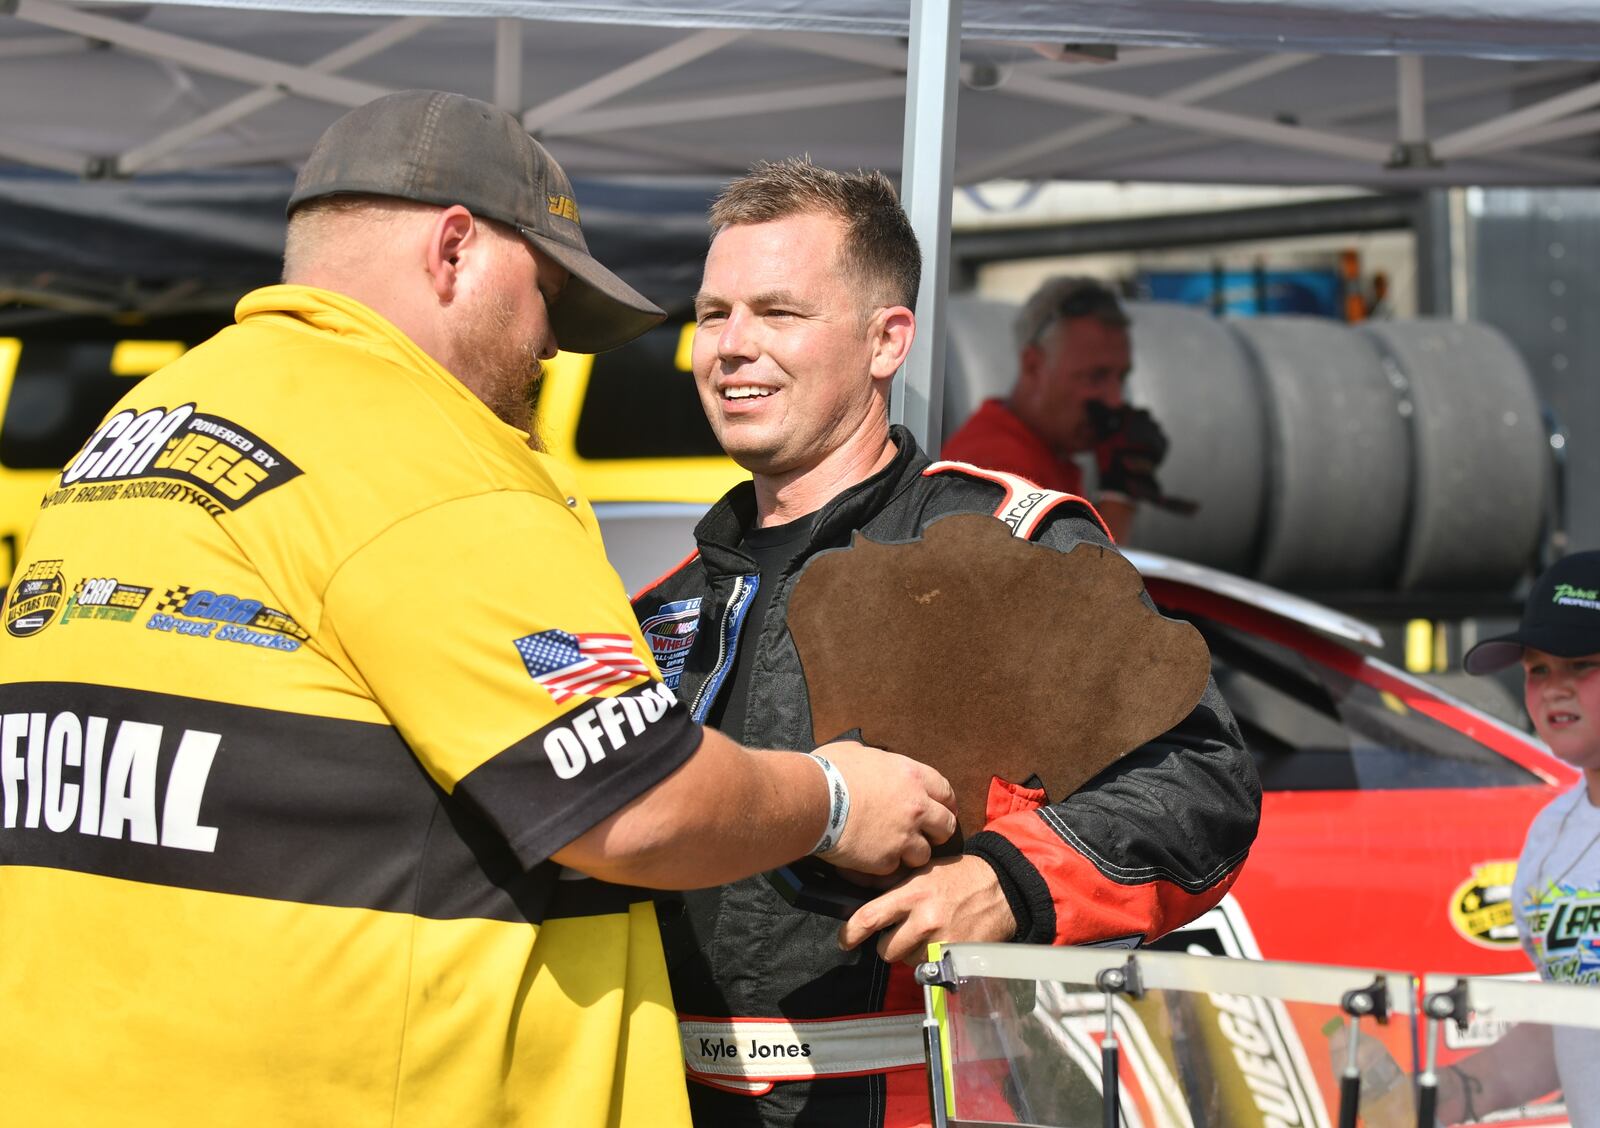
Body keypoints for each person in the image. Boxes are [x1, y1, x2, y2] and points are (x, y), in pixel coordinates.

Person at [0, 92, 958, 1128]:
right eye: (549, 293)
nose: (553, 344)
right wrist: (830, 800)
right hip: (366, 1091)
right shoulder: (430, 453)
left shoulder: (145, 425)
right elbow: (640, 808)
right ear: (455, 250)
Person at [632, 158, 1259, 1126]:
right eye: (713, 314)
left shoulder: (996, 544)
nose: (732, 346)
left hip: (909, 1090)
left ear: (887, 341)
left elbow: (1201, 785)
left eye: (779, 313)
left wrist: (1007, 880)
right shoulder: (668, 600)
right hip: (665, 1093)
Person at [1435, 551, 1600, 1125]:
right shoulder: (1551, 835)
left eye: (1580, 664)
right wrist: (1453, 1091)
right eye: (1537, 670)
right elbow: (1567, 1025)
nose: (1554, 688)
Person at [940, 275, 1172, 542]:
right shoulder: (1001, 471)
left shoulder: (1043, 453)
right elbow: (1091, 581)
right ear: (1033, 366)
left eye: (1121, 378)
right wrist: (1118, 495)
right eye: (1095, 376)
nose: (1115, 400)